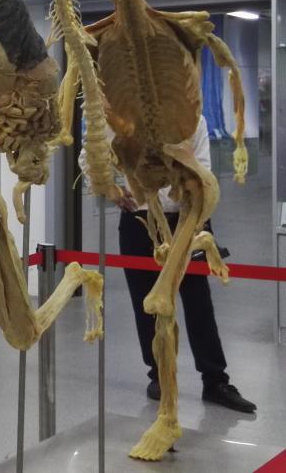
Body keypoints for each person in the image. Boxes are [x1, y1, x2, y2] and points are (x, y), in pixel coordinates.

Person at [83, 115, 255, 413]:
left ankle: (215, 379)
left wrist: (194, 201)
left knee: (198, 299)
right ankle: (158, 374)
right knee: (145, 300)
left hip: (186, 218)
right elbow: (90, 156)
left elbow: (203, 169)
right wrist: (111, 188)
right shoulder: (119, 117)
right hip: (139, 219)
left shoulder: (193, 118)